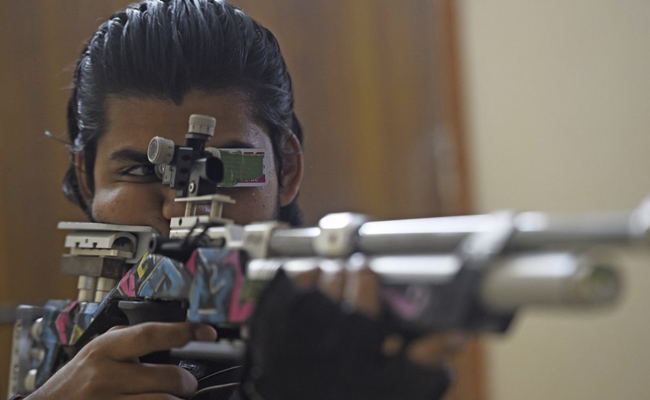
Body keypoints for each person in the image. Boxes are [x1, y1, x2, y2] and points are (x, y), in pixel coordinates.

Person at [15, 1, 463, 399]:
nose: (180, 209)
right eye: (139, 171)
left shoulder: (335, 348)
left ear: (287, 169)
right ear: (86, 179)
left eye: (223, 171)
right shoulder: (66, 349)